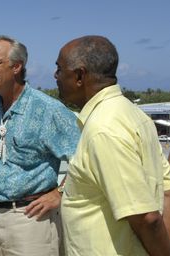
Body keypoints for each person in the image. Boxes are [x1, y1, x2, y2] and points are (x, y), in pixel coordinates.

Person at [56, 35, 170, 255]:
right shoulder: (134, 114)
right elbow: (167, 191)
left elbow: (146, 219)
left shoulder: (103, 129)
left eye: (59, 69)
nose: (56, 76)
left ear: (80, 75)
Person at [0, 35, 80, 256]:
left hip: (32, 220)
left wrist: (60, 192)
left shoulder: (47, 109)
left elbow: (85, 154)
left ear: (16, 66)